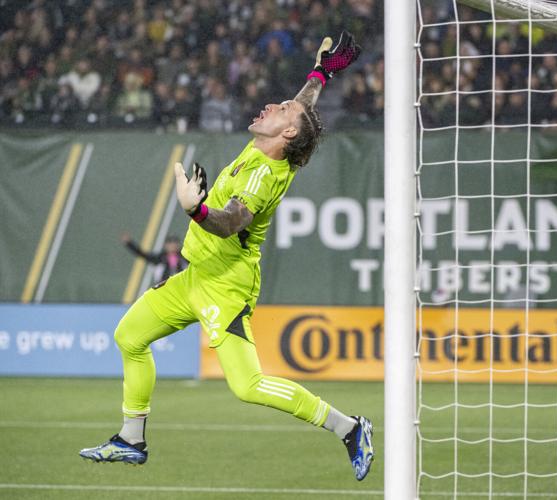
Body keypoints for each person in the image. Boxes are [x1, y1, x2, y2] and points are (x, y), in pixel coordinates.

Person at [79, 32, 373, 481]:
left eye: (280, 109)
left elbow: (232, 220)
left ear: (287, 132)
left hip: (225, 284)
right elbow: (300, 108)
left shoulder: (264, 174)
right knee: (129, 336)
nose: (272, 105)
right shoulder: (277, 142)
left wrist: (195, 209)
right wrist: (322, 73)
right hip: (195, 277)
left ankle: (349, 427)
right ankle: (131, 439)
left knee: (248, 386)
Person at [120, 233, 188, 284]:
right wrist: (129, 244)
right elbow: (142, 254)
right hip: (164, 287)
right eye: (170, 243)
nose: (173, 246)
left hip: (182, 285)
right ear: (166, 245)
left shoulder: (184, 256)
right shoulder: (160, 258)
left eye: (175, 243)